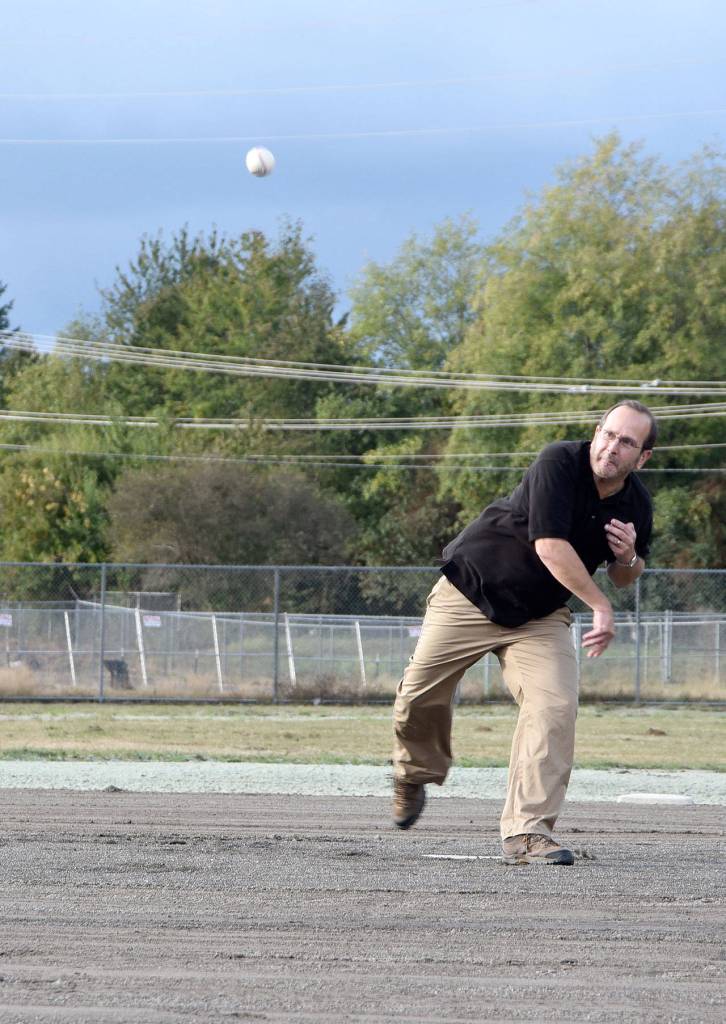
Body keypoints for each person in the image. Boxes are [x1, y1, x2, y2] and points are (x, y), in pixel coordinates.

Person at [392, 399, 655, 865]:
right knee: (418, 696)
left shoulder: (636, 504)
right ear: (596, 432)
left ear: (643, 458)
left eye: (627, 443)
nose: (613, 448)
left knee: (555, 707)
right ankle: (414, 774)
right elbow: (550, 546)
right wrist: (599, 606)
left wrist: (629, 557)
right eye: (609, 434)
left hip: (539, 617)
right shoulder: (559, 461)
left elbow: (624, 575)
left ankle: (527, 831)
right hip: (472, 591)